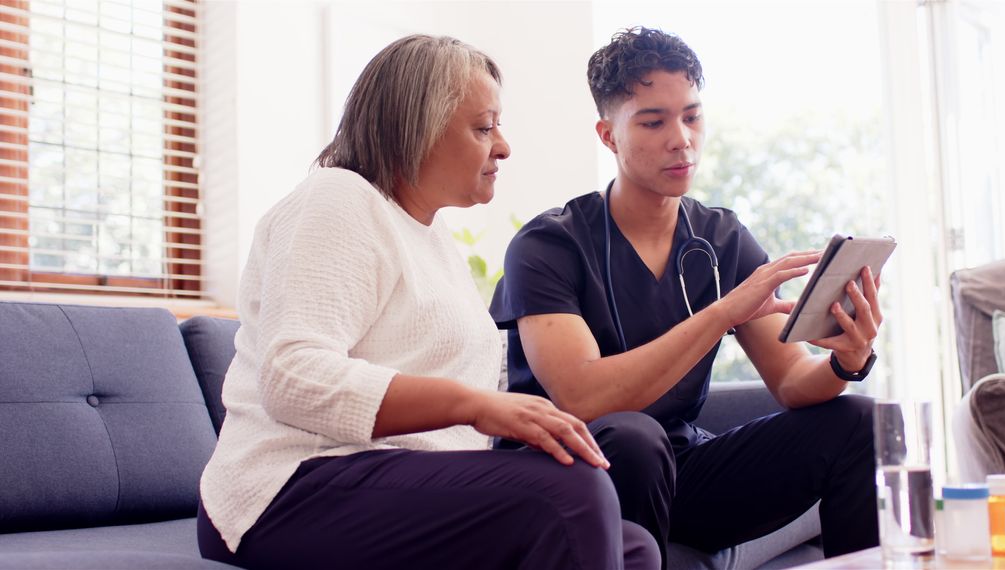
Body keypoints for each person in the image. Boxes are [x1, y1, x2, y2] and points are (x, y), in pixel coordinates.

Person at [197, 34, 660, 570]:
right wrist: (476, 405)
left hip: (392, 478)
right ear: (416, 127)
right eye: (484, 127)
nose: (504, 147)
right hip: (289, 487)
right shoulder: (338, 199)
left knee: (633, 548)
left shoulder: (431, 237)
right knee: (568, 496)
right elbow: (292, 377)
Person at [490, 27, 881, 567]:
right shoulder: (549, 245)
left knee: (858, 421)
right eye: (654, 122)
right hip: (567, 473)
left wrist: (845, 362)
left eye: (692, 117)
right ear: (608, 136)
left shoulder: (722, 237)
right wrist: (721, 314)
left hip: (678, 469)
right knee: (634, 437)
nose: (681, 139)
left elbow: (792, 380)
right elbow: (582, 398)